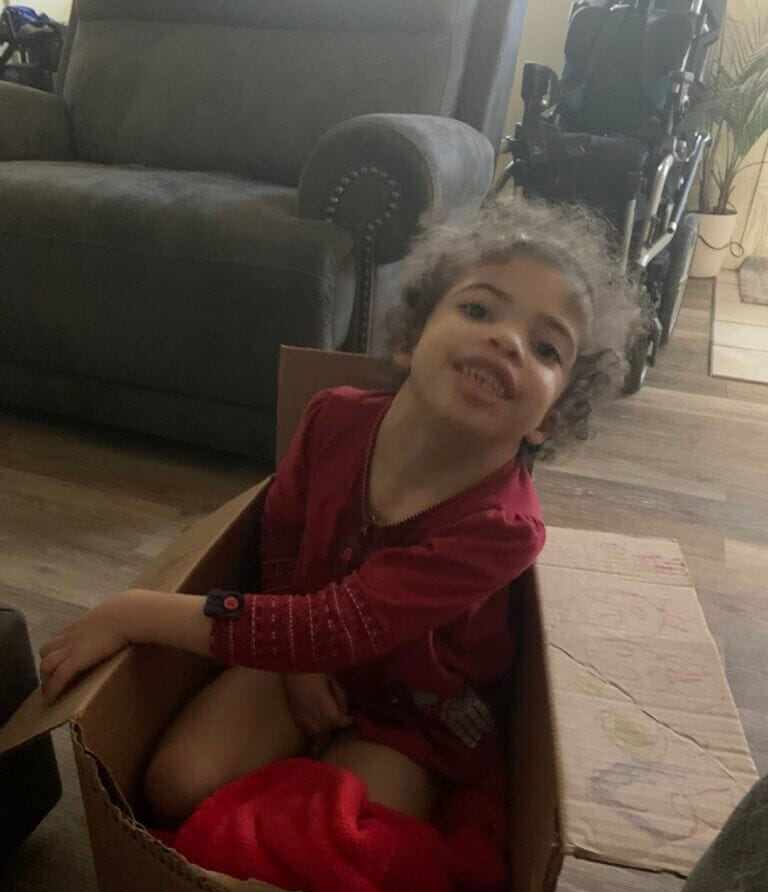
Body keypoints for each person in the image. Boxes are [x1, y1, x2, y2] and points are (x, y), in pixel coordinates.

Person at [38, 197, 644, 828]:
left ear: (547, 420)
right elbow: (280, 532)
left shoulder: (503, 528)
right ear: (411, 341)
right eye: (478, 309)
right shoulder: (332, 416)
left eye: (547, 348)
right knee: (174, 785)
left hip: (416, 711)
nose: (507, 340)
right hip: (298, 643)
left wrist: (135, 612)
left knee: (331, 838)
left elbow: (337, 624)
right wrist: (296, 666)